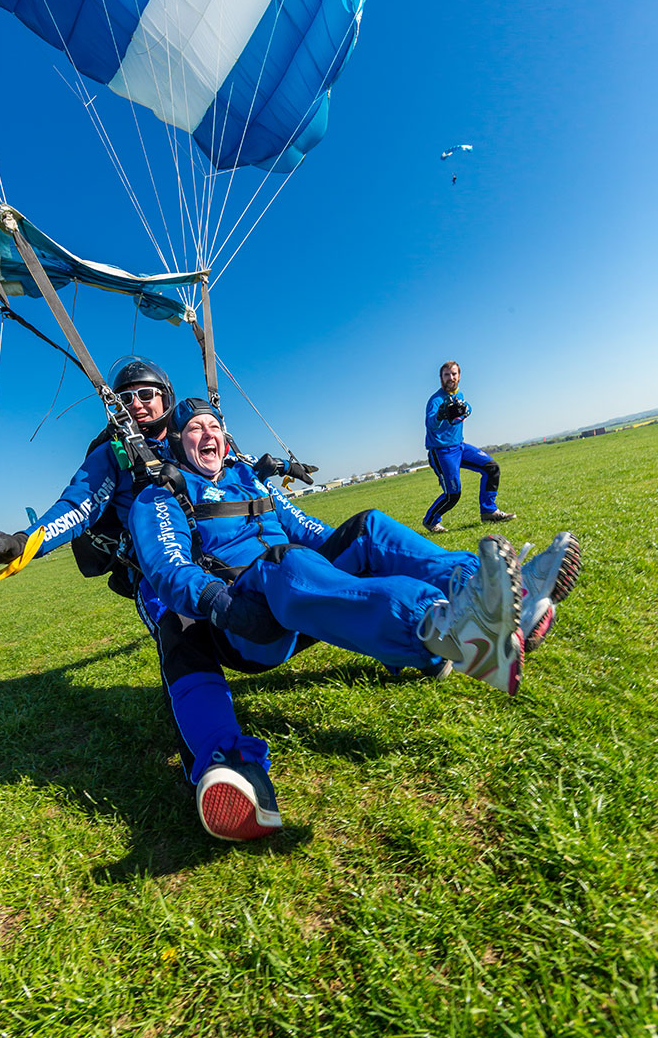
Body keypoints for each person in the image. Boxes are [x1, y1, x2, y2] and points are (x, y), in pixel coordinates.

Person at [129, 399, 580, 844]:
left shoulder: (252, 482)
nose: (206, 434)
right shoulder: (163, 496)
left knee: (368, 527)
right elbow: (168, 568)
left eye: (213, 426)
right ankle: (448, 629)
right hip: (244, 620)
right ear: (177, 440)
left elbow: (316, 534)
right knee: (261, 576)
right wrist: (221, 602)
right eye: (194, 428)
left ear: (225, 439)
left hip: (300, 591)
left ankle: (489, 591)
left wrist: (355, 563)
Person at [0, 358, 317, 792]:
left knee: (294, 585)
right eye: (127, 396)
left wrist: (284, 468)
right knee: (180, 627)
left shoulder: (191, 436)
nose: (136, 403)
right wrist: (23, 542)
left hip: (224, 558)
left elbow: (242, 464)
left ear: (166, 399)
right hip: (156, 574)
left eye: (146, 393)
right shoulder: (112, 455)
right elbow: (77, 508)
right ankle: (219, 766)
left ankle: (396, 631)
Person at [423, 360, 516, 534]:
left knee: (491, 468)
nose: (451, 378)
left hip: (460, 447)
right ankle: (430, 521)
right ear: (440, 378)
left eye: (454, 374)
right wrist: (441, 415)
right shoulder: (435, 400)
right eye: (447, 375)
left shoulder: (459, 394)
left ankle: (489, 511)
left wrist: (467, 409)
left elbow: (467, 407)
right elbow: (430, 424)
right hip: (441, 452)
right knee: (453, 494)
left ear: (459, 376)